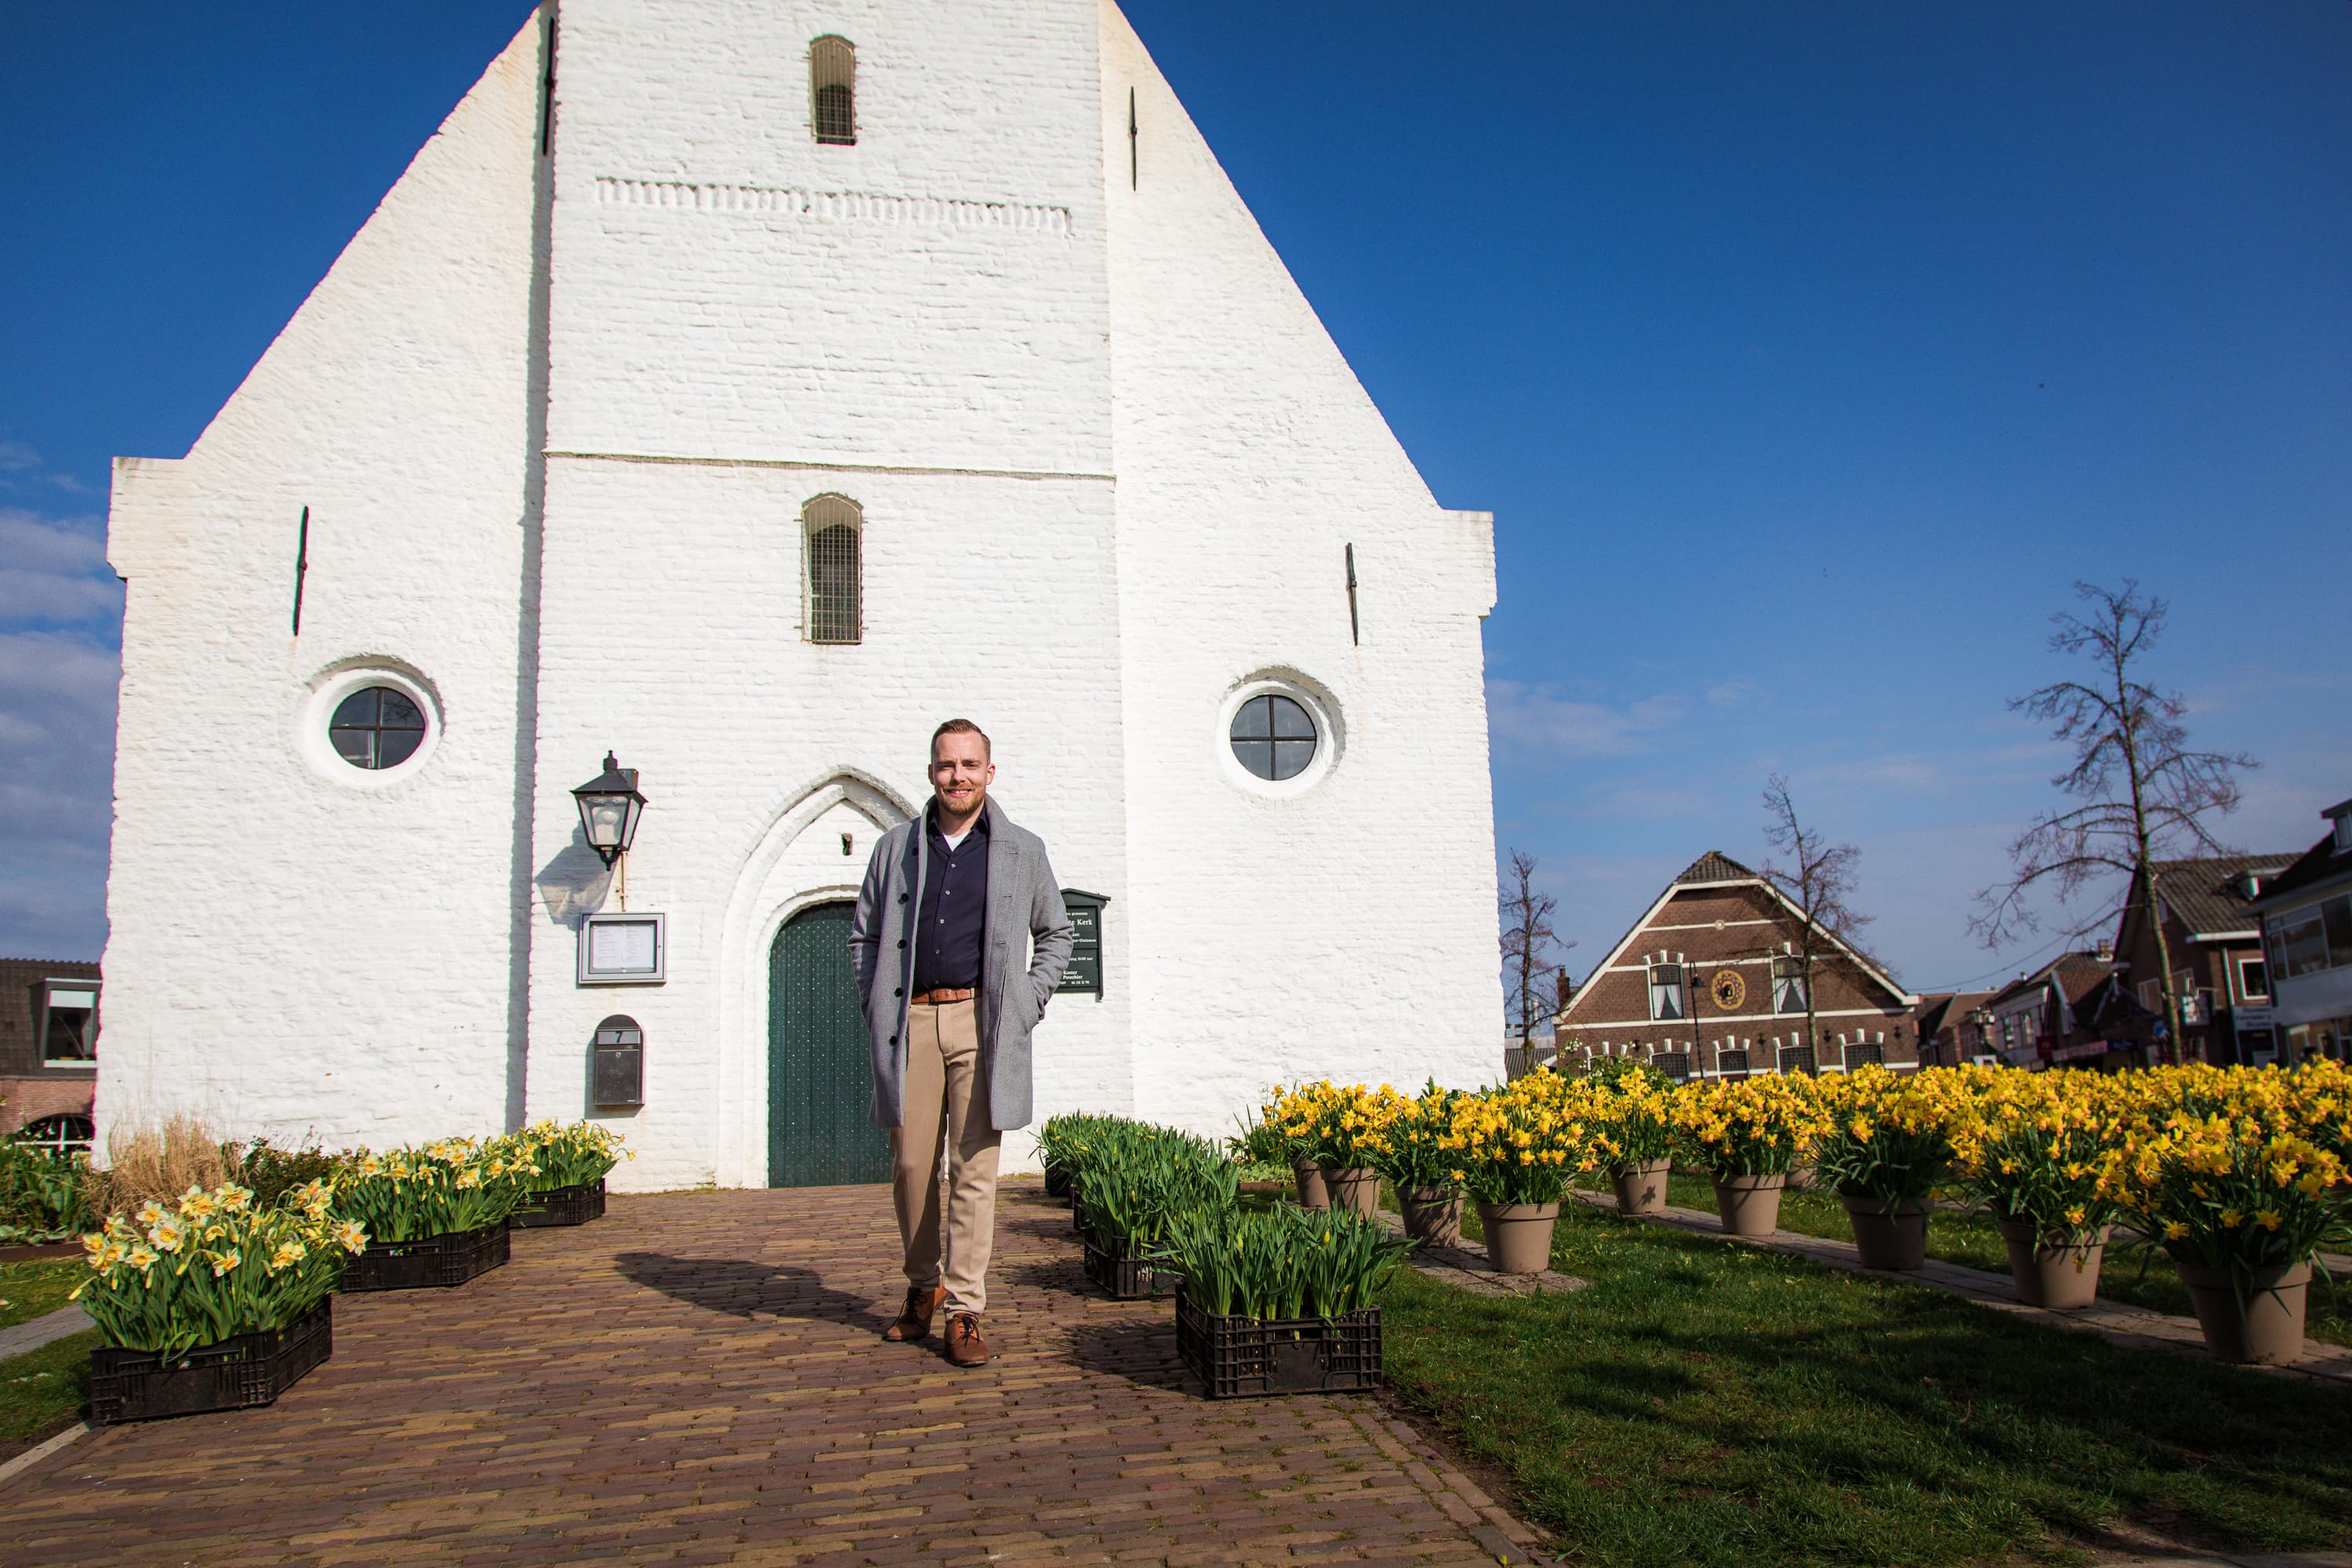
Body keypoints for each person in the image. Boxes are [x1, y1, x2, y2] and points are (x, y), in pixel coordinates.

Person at [849, 719, 1073, 1367]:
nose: (959, 776)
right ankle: (924, 1285)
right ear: (931, 773)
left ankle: (966, 1310)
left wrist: (1027, 1004)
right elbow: (862, 936)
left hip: (985, 1023)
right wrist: (874, 1003)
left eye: (971, 765)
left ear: (990, 773)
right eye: (948, 765)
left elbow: (1056, 934)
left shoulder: (1022, 850)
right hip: (914, 1022)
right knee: (913, 1168)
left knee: (974, 1171)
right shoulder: (895, 849)